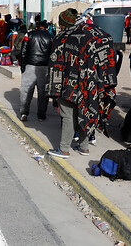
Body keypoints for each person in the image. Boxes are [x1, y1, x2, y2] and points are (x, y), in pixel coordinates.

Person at [46, 9, 117, 159]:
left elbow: (55, 64)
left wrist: (54, 89)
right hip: (90, 82)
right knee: (86, 110)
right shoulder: (93, 32)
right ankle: (84, 147)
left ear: (63, 23)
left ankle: (64, 149)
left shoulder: (62, 37)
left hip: (69, 84)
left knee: (68, 115)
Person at [19, 21, 53, 122]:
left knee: (26, 91)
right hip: (44, 67)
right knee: (43, 93)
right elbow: (52, 53)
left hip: (30, 65)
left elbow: (23, 51)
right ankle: (41, 115)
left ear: (37, 27)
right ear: (46, 28)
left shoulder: (29, 35)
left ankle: (24, 113)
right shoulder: (51, 37)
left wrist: (23, 65)